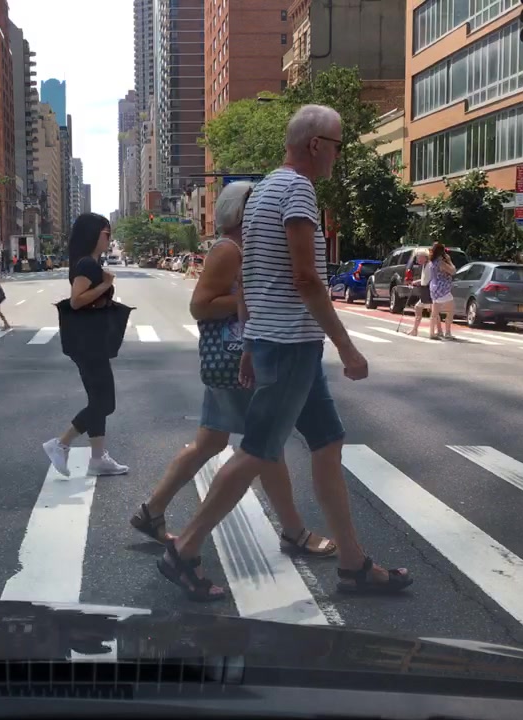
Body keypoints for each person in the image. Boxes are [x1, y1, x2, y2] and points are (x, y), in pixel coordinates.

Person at [154, 104, 412, 601]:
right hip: (292, 344)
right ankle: (184, 549)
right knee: (258, 450)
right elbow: (305, 278)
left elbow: (252, 279)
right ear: (316, 144)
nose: (338, 154)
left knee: (327, 442)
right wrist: (347, 347)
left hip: (281, 344)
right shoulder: (297, 191)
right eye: (337, 144)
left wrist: (251, 343)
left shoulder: (264, 191)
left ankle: (353, 563)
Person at [131, 181, 335, 558]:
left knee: (211, 442)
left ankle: (151, 511)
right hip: (237, 360)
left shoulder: (249, 248)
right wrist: (250, 296)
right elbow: (200, 305)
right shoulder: (230, 249)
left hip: (234, 361)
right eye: (258, 206)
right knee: (265, 446)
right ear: (242, 212)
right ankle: (293, 532)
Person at [41, 213, 129, 478]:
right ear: (93, 234)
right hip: (89, 343)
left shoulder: (88, 262)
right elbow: (77, 300)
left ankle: (98, 459)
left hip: (89, 340)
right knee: (106, 403)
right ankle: (61, 443)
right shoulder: (87, 265)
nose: (109, 238)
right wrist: (106, 284)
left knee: (98, 400)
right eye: (106, 233)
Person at [428, 242, 457, 340]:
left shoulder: (432, 263)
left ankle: (432, 332)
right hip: (443, 289)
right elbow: (453, 271)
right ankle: (447, 332)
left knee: (434, 313)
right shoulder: (441, 263)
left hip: (434, 288)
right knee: (450, 310)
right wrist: (449, 260)